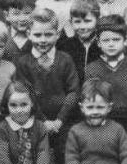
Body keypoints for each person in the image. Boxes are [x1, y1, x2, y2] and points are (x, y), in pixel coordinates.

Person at [14, 8, 79, 156]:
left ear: (57, 35)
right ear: (29, 34)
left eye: (48, 35)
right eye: (37, 35)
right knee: (38, 159)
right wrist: (43, 121)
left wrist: (59, 120)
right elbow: (25, 95)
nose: (43, 40)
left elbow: (73, 91)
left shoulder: (65, 59)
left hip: (63, 122)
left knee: (67, 156)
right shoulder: (23, 63)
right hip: (35, 121)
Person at [84, 15, 127, 152]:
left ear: (125, 41)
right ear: (98, 43)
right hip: (101, 124)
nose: (111, 44)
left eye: (116, 39)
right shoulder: (91, 69)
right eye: (106, 40)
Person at [58, 0, 102, 82]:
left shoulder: (103, 46)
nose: (82, 27)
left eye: (87, 21)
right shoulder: (64, 46)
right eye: (77, 22)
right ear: (71, 22)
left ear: (97, 20)